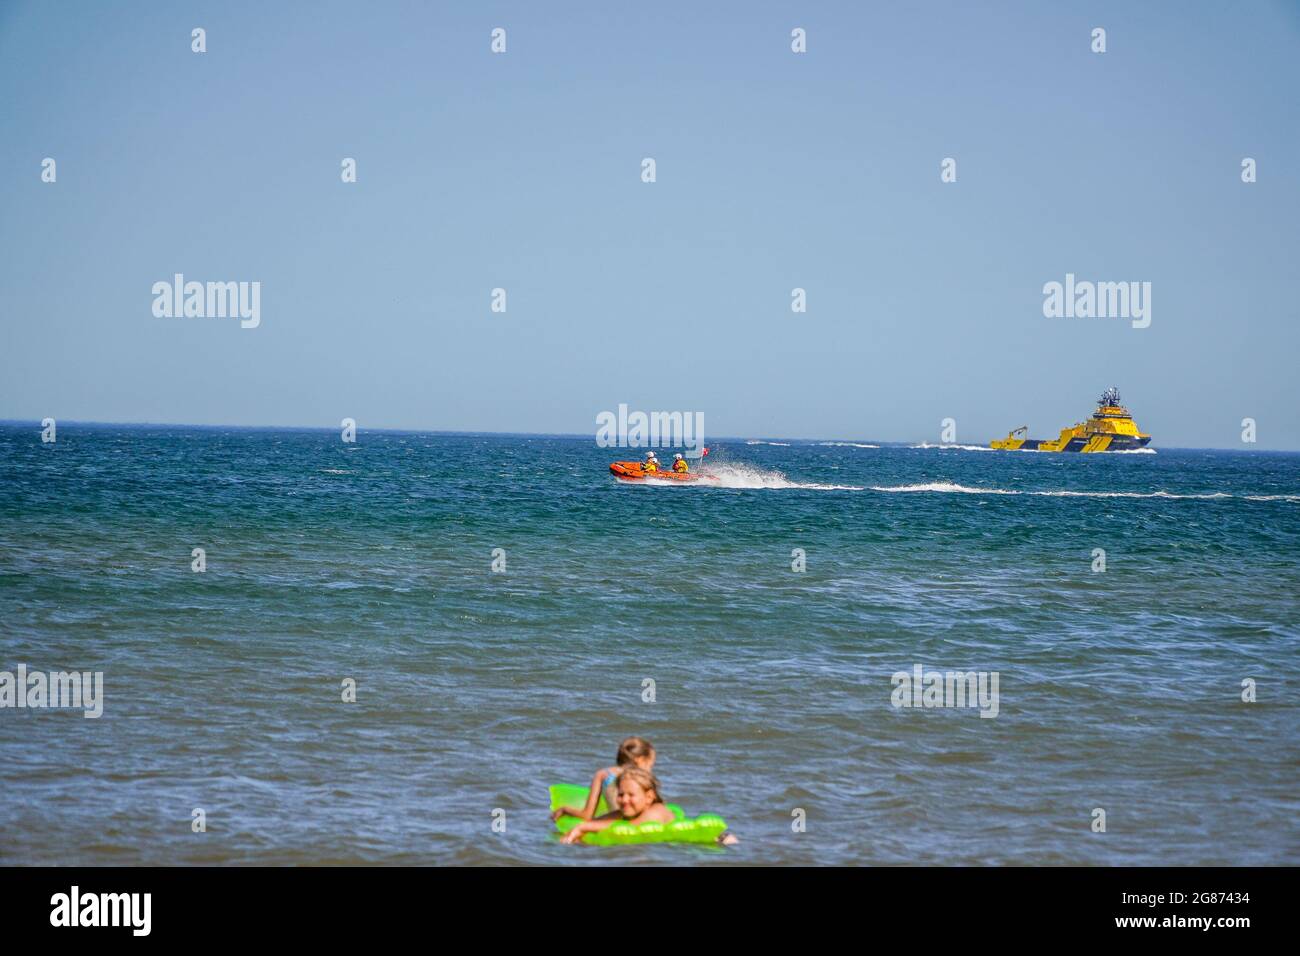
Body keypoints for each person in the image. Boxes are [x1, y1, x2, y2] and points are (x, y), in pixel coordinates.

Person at [550, 737, 656, 823]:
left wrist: (565, 809)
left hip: (612, 824)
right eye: (650, 765)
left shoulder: (603, 774)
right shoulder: (643, 778)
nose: (650, 770)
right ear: (640, 760)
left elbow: (587, 815)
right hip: (640, 824)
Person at [560, 767, 676, 844]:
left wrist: (583, 828)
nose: (624, 800)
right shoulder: (624, 813)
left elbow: (632, 826)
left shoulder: (656, 811)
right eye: (621, 794)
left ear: (649, 797)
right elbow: (595, 822)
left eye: (631, 795)